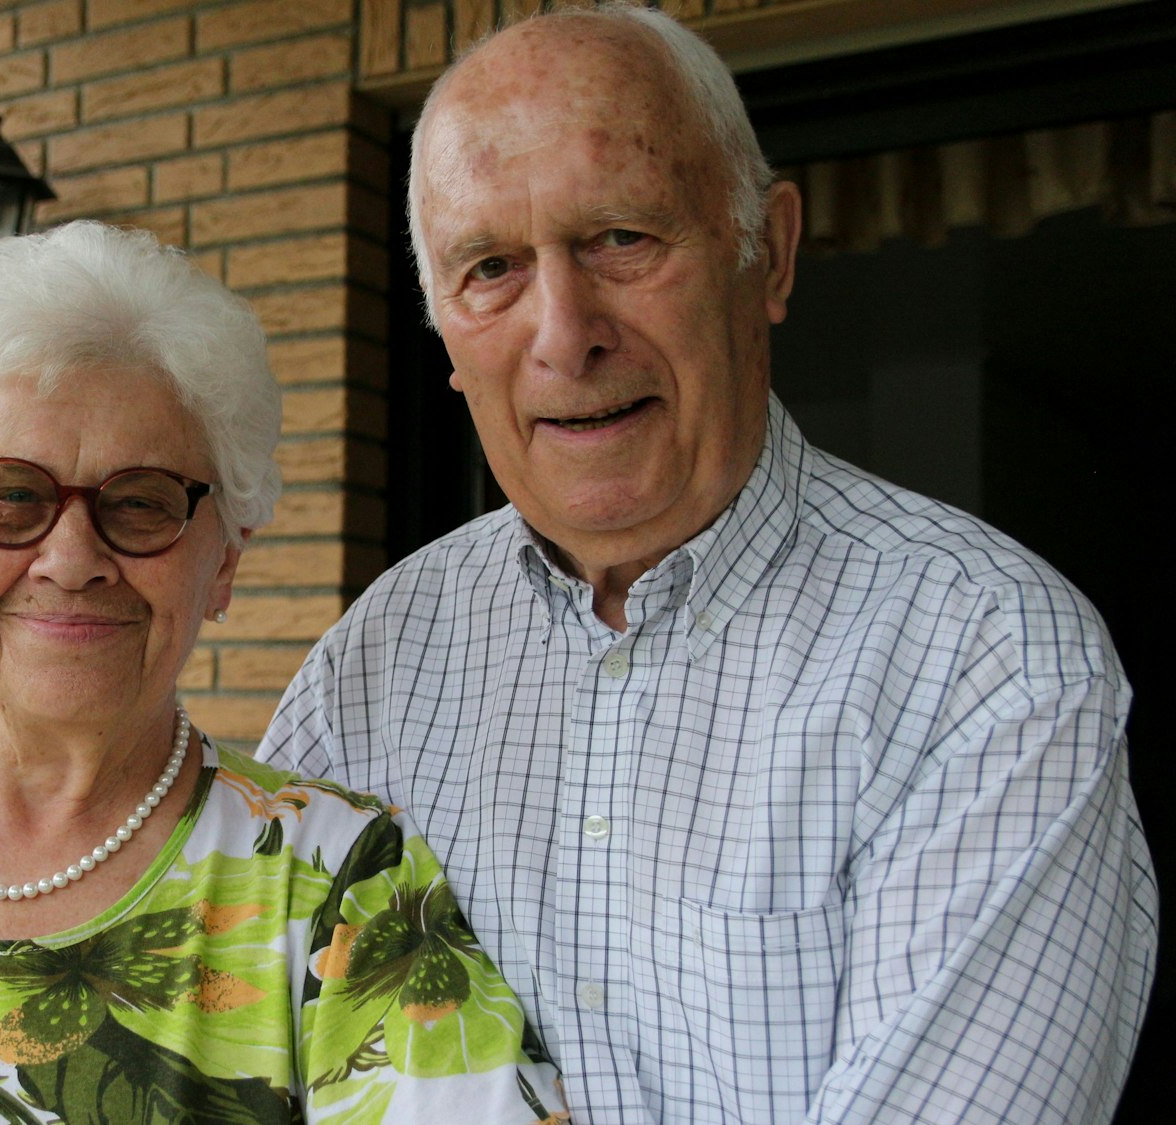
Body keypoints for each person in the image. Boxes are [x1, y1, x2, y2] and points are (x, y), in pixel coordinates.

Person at [258, 4, 1155, 1122]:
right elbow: (253, 1060)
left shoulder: (988, 658)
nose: (563, 333)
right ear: (443, 327)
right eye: (490, 267)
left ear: (766, 253)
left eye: (621, 239)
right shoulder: (371, 671)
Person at [0, 221, 568, 1124]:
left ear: (222, 563)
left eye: (139, 503)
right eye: (12, 494)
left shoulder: (342, 886)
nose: (71, 557)